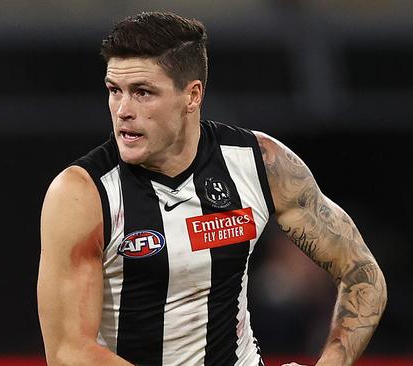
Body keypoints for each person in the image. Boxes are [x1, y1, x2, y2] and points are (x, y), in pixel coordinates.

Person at [37, 11, 387, 366]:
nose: (123, 110)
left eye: (143, 92)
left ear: (192, 96)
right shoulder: (82, 193)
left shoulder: (259, 163)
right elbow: (69, 352)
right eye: (115, 91)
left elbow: (362, 272)